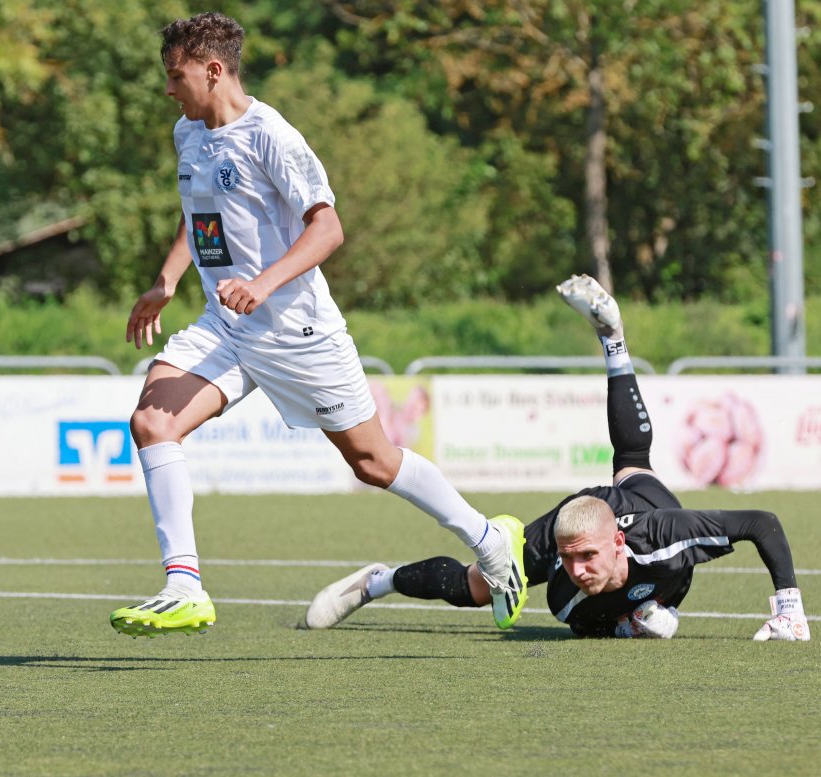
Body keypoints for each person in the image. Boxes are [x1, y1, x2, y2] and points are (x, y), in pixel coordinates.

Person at [109, 12, 526, 638]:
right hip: (225, 326)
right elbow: (199, 217)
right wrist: (167, 281)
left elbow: (327, 227)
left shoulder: (271, 136)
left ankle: (490, 539)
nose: (170, 89)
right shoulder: (188, 134)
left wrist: (263, 283)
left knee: (373, 463)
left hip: (295, 332)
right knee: (151, 422)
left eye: (177, 76)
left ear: (214, 70)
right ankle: (184, 586)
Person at [305, 274, 811, 641]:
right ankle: (380, 581)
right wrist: (628, 624)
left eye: (587, 557)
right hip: (571, 518)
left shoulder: (669, 537)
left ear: (616, 543)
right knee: (479, 586)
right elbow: (586, 620)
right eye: (571, 561)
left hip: (641, 507)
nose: (577, 570)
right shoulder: (564, 590)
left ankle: (614, 339)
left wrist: (789, 609)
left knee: (634, 457)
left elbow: (761, 523)